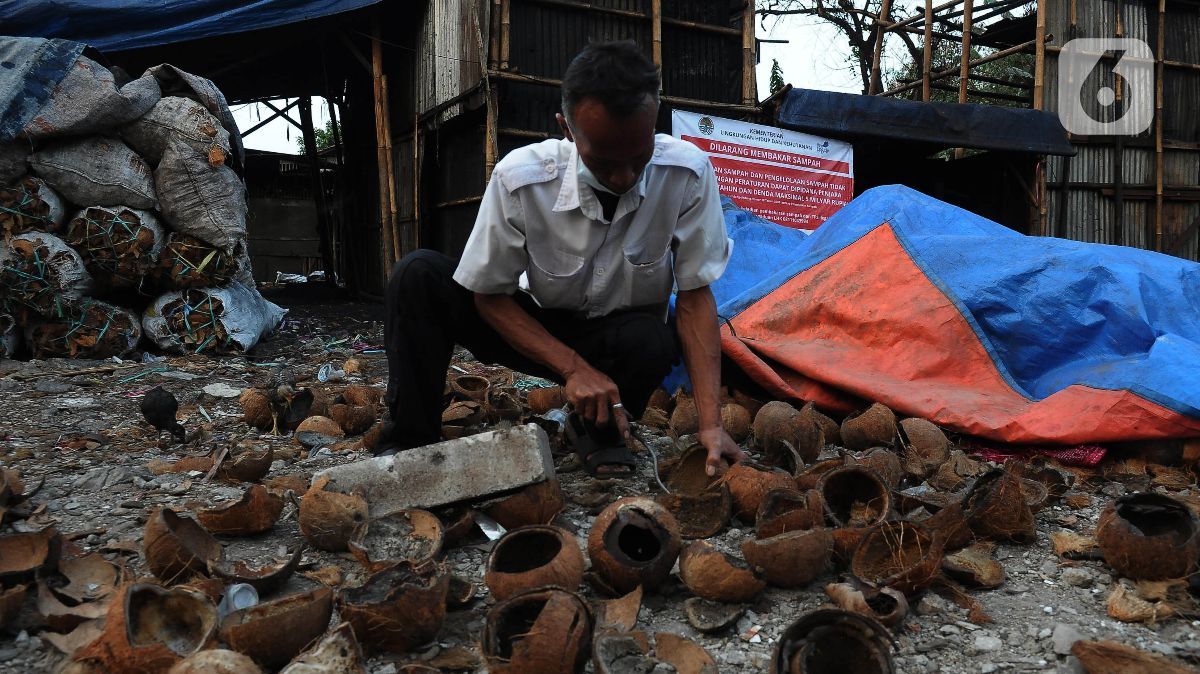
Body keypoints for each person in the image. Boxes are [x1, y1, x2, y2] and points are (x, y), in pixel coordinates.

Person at [379, 40, 745, 476]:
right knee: (418, 275)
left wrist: (711, 424)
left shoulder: (688, 174)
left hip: (616, 340)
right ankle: (408, 443)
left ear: (654, 124)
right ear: (567, 129)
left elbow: (695, 298)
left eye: (638, 155)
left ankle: (598, 430)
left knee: (652, 339)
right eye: (606, 162)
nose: (625, 177)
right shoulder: (521, 179)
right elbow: (489, 296)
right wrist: (572, 369)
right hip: (532, 327)